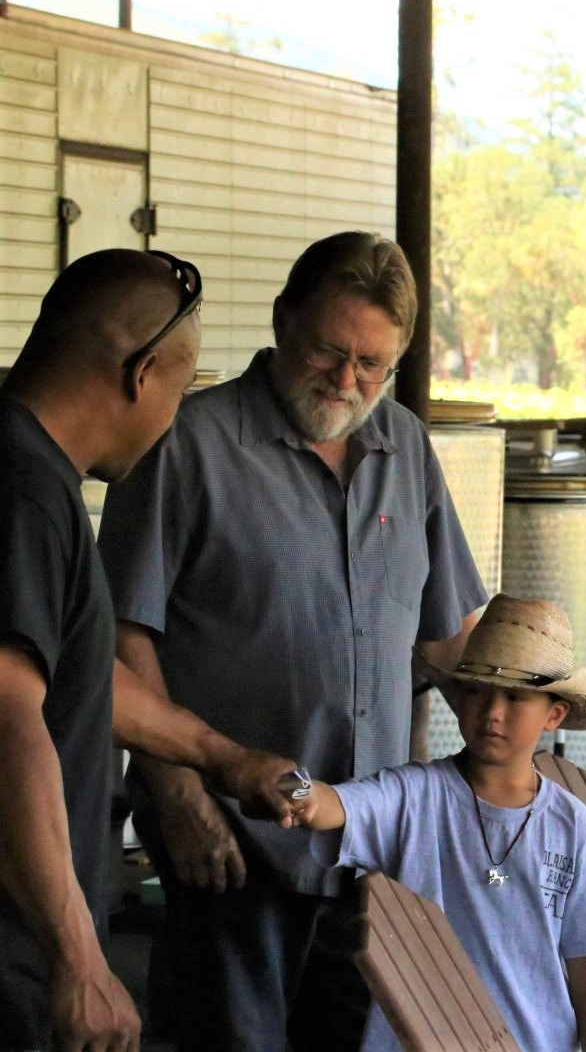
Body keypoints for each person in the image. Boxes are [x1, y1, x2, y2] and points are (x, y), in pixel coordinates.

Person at [97, 232, 489, 1051]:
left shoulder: (406, 448)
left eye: (373, 365)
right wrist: (177, 796)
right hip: (234, 846)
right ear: (282, 322)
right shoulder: (187, 442)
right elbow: (120, 638)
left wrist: (518, 751)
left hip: (375, 846)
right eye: (328, 351)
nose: (348, 381)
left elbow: (450, 639)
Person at [0, 250, 305, 1052]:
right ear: (142, 374)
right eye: (184, 386)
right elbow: (7, 722)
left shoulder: (33, 478)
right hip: (13, 958)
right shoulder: (25, 496)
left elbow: (70, 663)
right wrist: (79, 961)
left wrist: (220, 754)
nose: (179, 411)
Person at [292, 593, 586, 1052]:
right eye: (475, 690)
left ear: (554, 715)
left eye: (516, 697)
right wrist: (285, 786)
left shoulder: (574, 828)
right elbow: (328, 805)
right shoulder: (413, 796)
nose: (492, 712)